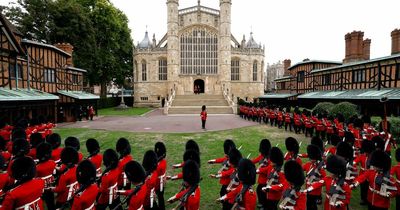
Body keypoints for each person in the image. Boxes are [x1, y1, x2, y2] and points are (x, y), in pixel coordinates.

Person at [36, 142, 56, 210]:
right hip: (50, 185)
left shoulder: (37, 167)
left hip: (41, 187)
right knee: (51, 202)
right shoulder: (52, 163)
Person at [154, 142, 167, 210]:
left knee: (158, 196)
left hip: (158, 182)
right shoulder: (164, 161)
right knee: (161, 197)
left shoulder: (158, 165)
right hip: (162, 181)